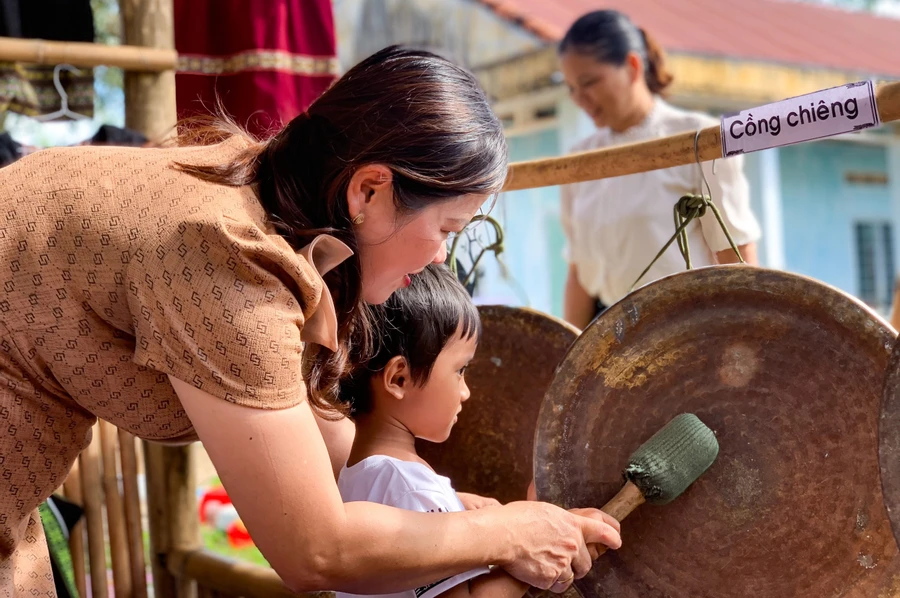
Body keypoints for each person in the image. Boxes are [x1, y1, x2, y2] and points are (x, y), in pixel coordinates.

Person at [0, 45, 621, 597]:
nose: (440, 257)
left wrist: (459, 514)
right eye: (446, 230)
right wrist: (501, 534)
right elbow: (317, 550)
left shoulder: (258, 201)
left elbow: (327, 457)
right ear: (368, 191)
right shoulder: (222, 259)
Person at [337, 264, 617, 598]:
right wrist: (539, 545)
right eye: (460, 370)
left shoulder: (353, 475)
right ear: (399, 378)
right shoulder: (410, 488)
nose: (466, 391)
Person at [558, 10, 762, 328]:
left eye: (589, 82)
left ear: (632, 67)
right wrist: (569, 355)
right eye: (570, 87)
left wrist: (745, 340)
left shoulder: (699, 140)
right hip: (608, 335)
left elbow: (734, 253)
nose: (579, 98)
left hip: (687, 328)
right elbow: (579, 272)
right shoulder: (578, 161)